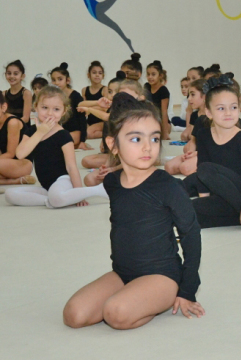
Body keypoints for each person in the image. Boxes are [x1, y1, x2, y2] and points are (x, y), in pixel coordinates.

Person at [62, 100, 203, 330]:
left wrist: (187, 289)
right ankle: (132, 295)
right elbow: (93, 183)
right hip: (123, 273)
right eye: (136, 139)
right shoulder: (113, 183)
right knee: (73, 314)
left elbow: (191, 234)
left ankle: (156, 300)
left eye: (154, 138)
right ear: (112, 144)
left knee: (115, 314)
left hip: (162, 276)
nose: (148, 147)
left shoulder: (168, 186)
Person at [4, 86, 108, 208]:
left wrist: (79, 193)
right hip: (46, 186)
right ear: (36, 107)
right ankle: (51, 201)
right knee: (9, 194)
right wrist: (40, 132)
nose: (49, 113)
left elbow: (71, 167)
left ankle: (98, 190)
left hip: (62, 181)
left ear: (63, 111)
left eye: (56, 109)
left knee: (57, 197)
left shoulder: (63, 135)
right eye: (44, 108)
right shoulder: (32, 132)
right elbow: (20, 154)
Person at [182, 76, 241, 229]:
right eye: (221, 108)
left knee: (206, 169)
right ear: (209, 112)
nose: (228, 113)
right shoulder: (204, 135)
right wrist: (203, 204)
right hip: (220, 196)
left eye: (233, 107)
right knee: (189, 210)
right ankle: (237, 216)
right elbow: (201, 178)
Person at [164, 79, 207, 176]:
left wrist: (196, 154)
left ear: (204, 96)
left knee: (185, 168)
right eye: (189, 95)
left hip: (207, 153)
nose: (189, 99)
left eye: (192, 95)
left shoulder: (213, 117)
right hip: (197, 152)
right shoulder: (196, 115)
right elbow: (193, 139)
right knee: (168, 167)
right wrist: (190, 152)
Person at [50, 63, 92, 150]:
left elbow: (82, 118)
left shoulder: (75, 96)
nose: (57, 83)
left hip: (75, 132)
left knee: (57, 145)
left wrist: (82, 141)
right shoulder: (55, 96)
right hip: (62, 131)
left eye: (60, 79)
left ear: (67, 80)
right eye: (54, 80)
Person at [0, 92, 35, 185]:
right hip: (5, 163)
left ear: (3, 107)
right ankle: (14, 181)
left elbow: (11, 154)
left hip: (22, 163)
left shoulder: (12, 122)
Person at [145, 61, 171, 140]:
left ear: (160, 75)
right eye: (148, 74)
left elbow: (164, 112)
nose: (150, 77)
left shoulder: (163, 90)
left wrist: (165, 132)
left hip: (160, 121)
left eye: (153, 74)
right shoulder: (146, 87)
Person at [82, 61, 106, 139]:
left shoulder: (105, 89)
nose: (97, 75)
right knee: (81, 133)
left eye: (100, 73)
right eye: (94, 72)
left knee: (88, 134)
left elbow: (105, 108)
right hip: (90, 121)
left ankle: (110, 133)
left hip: (102, 120)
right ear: (88, 75)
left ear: (103, 76)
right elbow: (82, 105)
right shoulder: (85, 90)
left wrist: (90, 109)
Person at [3, 60, 32, 125]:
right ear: (5, 75)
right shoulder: (3, 94)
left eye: (15, 74)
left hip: (22, 129)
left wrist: (12, 126)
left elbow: (25, 118)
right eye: (9, 73)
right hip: (7, 128)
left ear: (22, 76)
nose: (12, 76)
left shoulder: (26, 93)